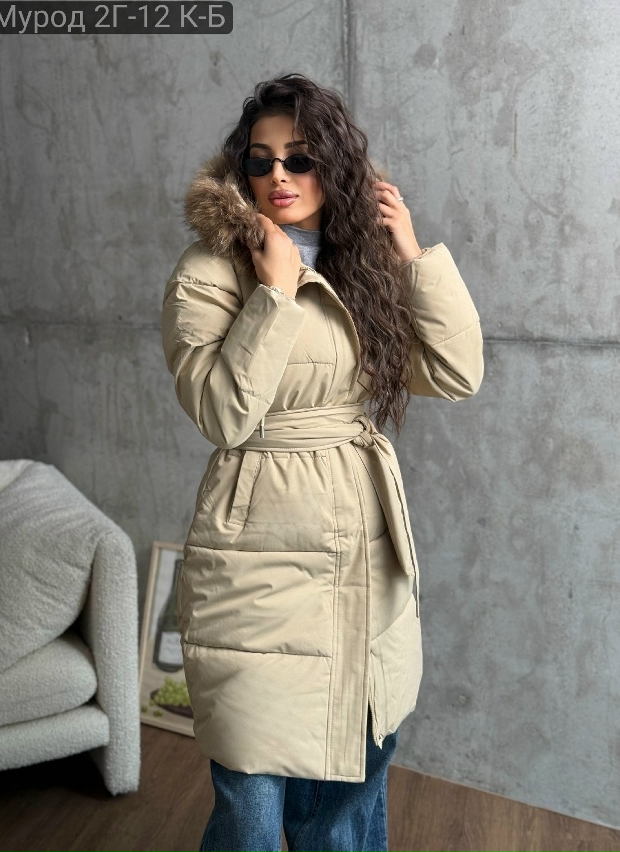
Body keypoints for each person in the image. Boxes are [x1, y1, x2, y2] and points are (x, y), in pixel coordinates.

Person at [161, 72, 483, 852]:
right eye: (261, 160)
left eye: (300, 158)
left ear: (332, 165)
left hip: (360, 538)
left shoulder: (360, 265)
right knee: (250, 798)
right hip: (256, 552)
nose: (279, 175)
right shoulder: (209, 270)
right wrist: (272, 294)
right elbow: (223, 415)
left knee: (351, 779)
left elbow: (454, 373)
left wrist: (411, 254)